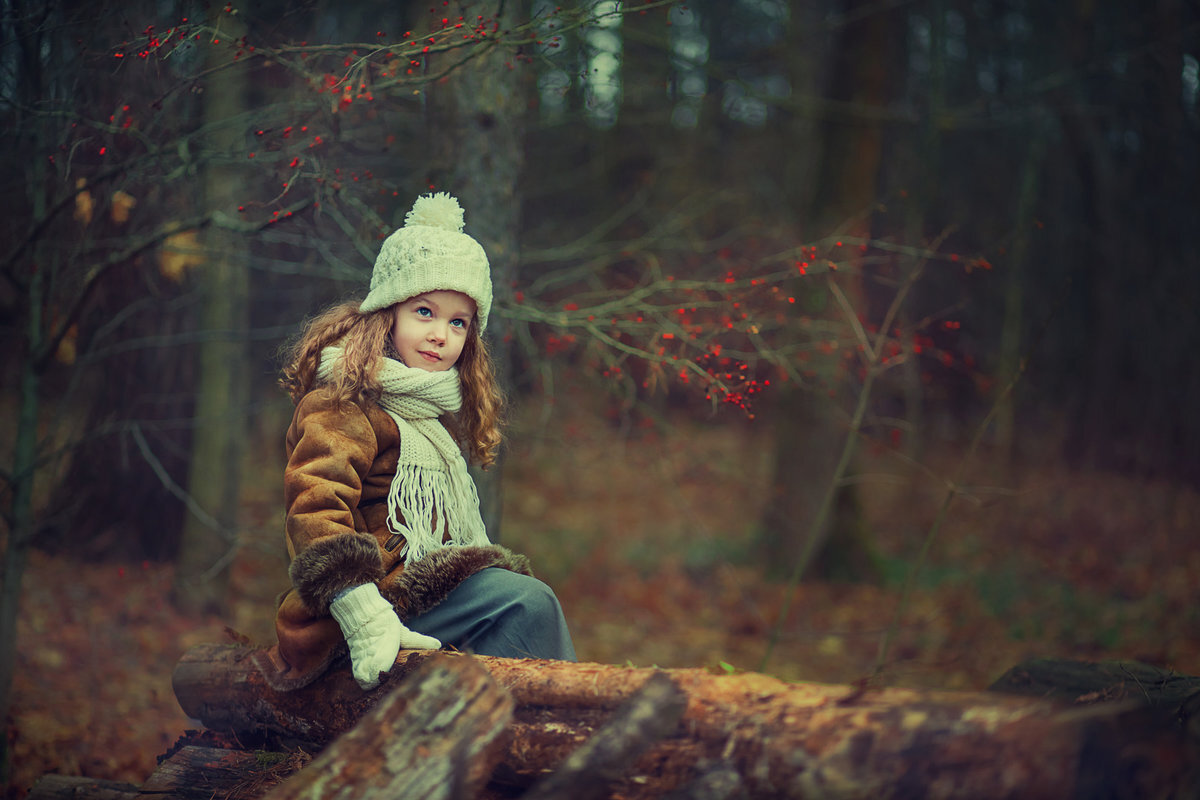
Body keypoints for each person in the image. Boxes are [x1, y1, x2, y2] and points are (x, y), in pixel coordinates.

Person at [253, 192, 576, 692]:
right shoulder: (343, 403)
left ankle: (520, 744)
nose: (440, 334)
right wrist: (363, 616)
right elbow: (315, 507)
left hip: (420, 593)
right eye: (424, 311)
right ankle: (544, 747)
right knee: (526, 603)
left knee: (524, 600)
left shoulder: (428, 416)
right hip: (369, 605)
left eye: (458, 322)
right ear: (388, 313)